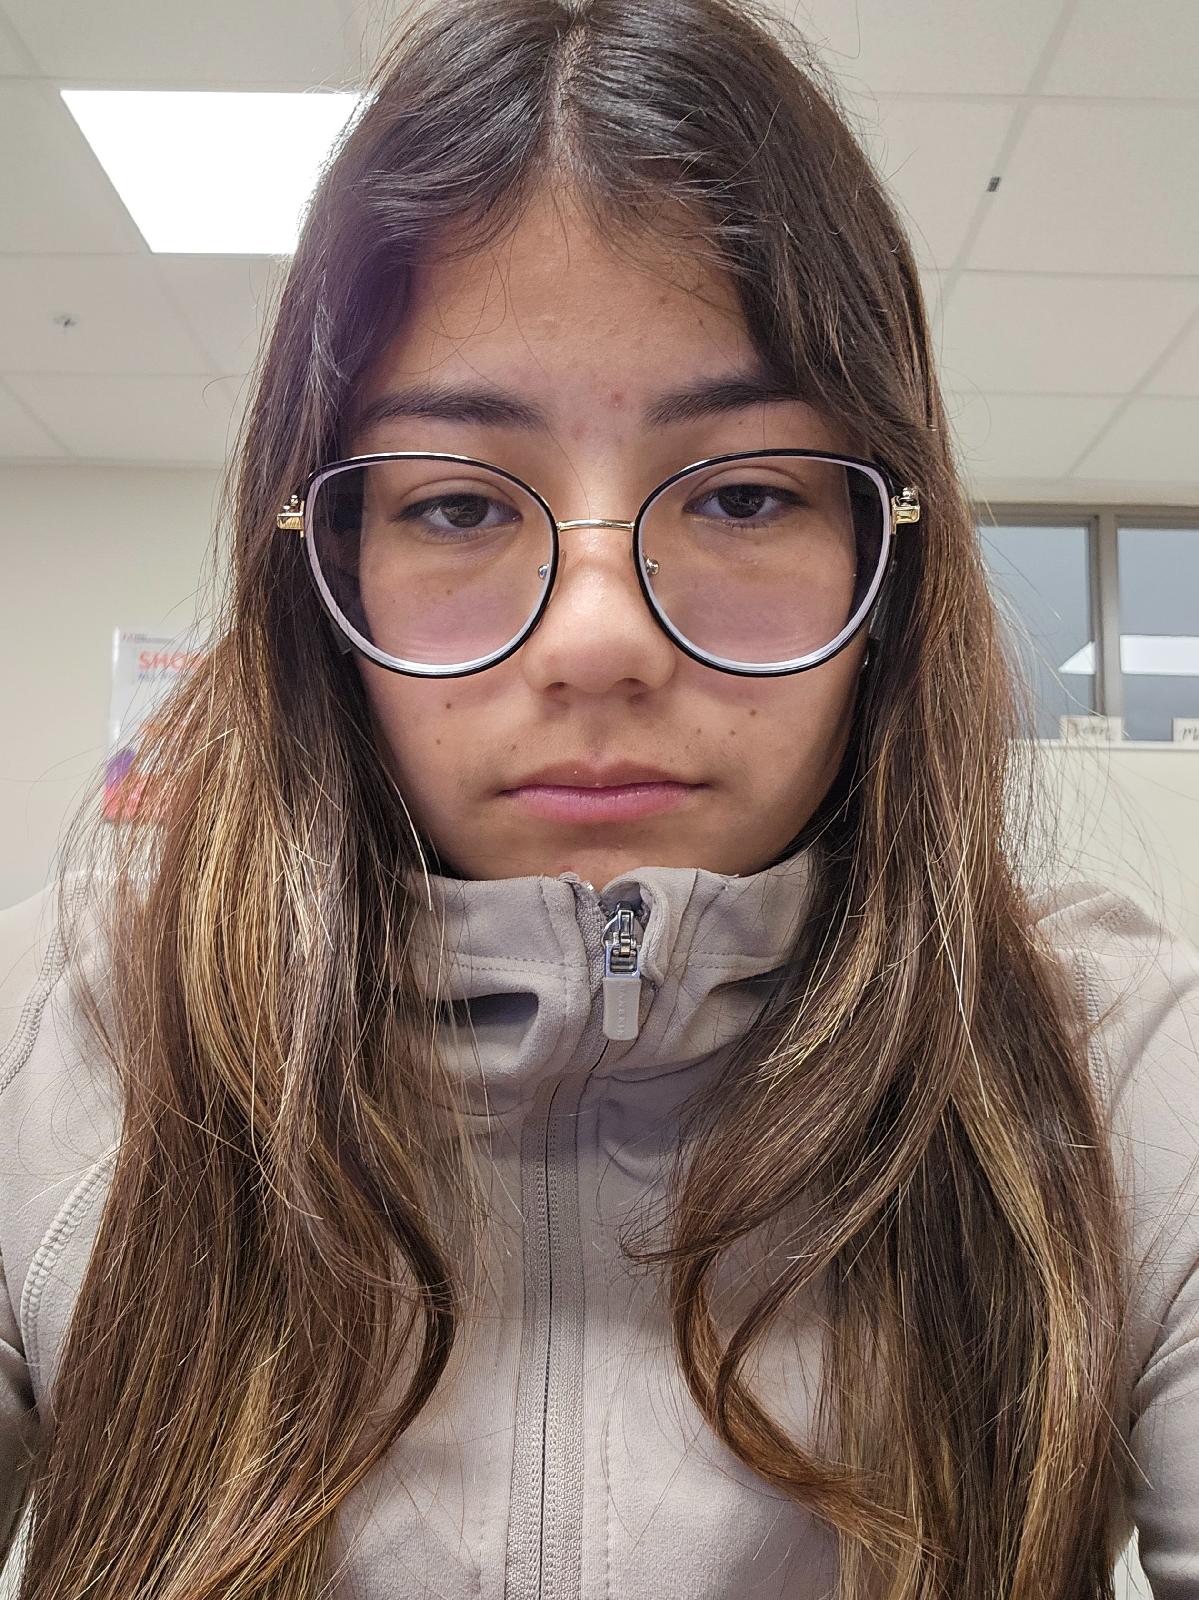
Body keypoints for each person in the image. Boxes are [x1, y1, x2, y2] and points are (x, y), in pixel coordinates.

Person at [1, 0, 1197, 1595]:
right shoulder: (63, 1041)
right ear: (327, 566)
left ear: (887, 558)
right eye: (454, 505)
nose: (597, 640)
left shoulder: (1116, 1070)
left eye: (746, 493)